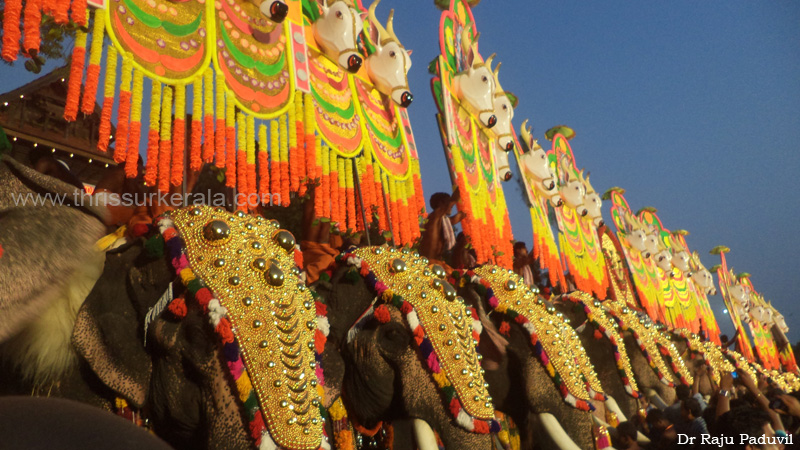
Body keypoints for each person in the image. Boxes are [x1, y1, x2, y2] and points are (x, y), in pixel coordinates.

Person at [419, 190, 465, 265]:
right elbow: (453, 200)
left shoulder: (444, 220)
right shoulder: (433, 217)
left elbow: (461, 215)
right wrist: (463, 185)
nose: (451, 207)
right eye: (447, 202)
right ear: (441, 204)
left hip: (438, 262)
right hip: (428, 262)